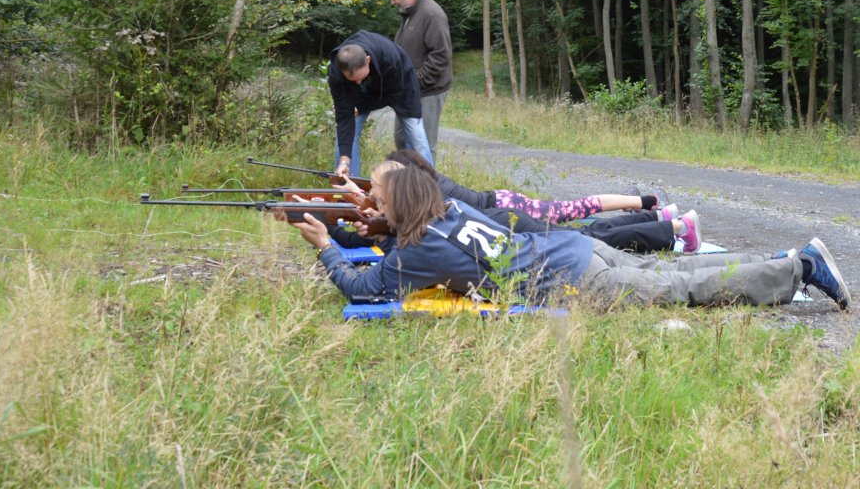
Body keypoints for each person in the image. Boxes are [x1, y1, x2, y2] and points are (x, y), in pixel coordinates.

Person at [294, 166, 851, 311]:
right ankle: (781, 258)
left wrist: (326, 245)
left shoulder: (419, 247)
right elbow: (416, 251)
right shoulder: (451, 209)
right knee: (677, 269)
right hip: (574, 250)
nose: (374, 204)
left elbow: (365, 288)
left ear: (401, 203)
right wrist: (379, 227)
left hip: (577, 279)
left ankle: (799, 268)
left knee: (686, 289)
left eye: (378, 198)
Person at [369, 149, 701, 253]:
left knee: (586, 223)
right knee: (588, 227)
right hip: (503, 207)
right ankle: (660, 218)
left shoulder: (425, 191)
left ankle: (660, 214)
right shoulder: (427, 181)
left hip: (507, 213)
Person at [328, 30, 433, 178]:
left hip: (401, 87)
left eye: (361, 77)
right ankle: (347, 183)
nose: (358, 82)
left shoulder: (389, 57)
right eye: (353, 80)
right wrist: (344, 160)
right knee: (349, 132)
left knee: (416, 137)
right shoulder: (336, 74)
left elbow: (390, 96)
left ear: (368, 60)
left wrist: (362, 106)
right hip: (362, 93)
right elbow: (344, 118)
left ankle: (432, 184)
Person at [387, 0, 453, 165]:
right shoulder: (409, 14)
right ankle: (408, 179)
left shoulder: (432, 14)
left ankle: (427, 182)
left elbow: (441, 56)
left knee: (423, 144)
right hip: (408, 91)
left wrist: (415, 82)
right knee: (401, 138)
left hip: (429, 91)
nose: (393, 2)